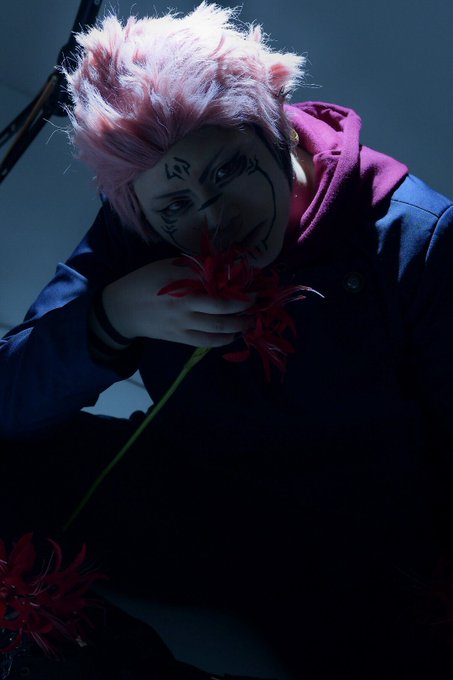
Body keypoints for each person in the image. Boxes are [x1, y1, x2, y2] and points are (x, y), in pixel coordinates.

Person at [1, 3, 453, 678]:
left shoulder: (417, 237)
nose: (215, 219)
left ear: (275, 131)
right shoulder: (137, 222)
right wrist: (111, 317)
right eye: (177, 205)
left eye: (226, 171)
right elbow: (10, 396)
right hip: (188, 490)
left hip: (347, 546)